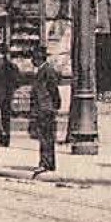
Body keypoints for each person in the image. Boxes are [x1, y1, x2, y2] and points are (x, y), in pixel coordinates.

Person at [29, 48, 61, 177]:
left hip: (45, 109)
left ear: (39, 59)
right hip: (43, 108)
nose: (32, 61)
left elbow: (53, 90)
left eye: (34, 58)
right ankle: (49, 163)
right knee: (46, 136)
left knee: (45, 137)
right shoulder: (43, 70)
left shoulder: (47, 71)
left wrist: (54, 105)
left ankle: (45, 163)